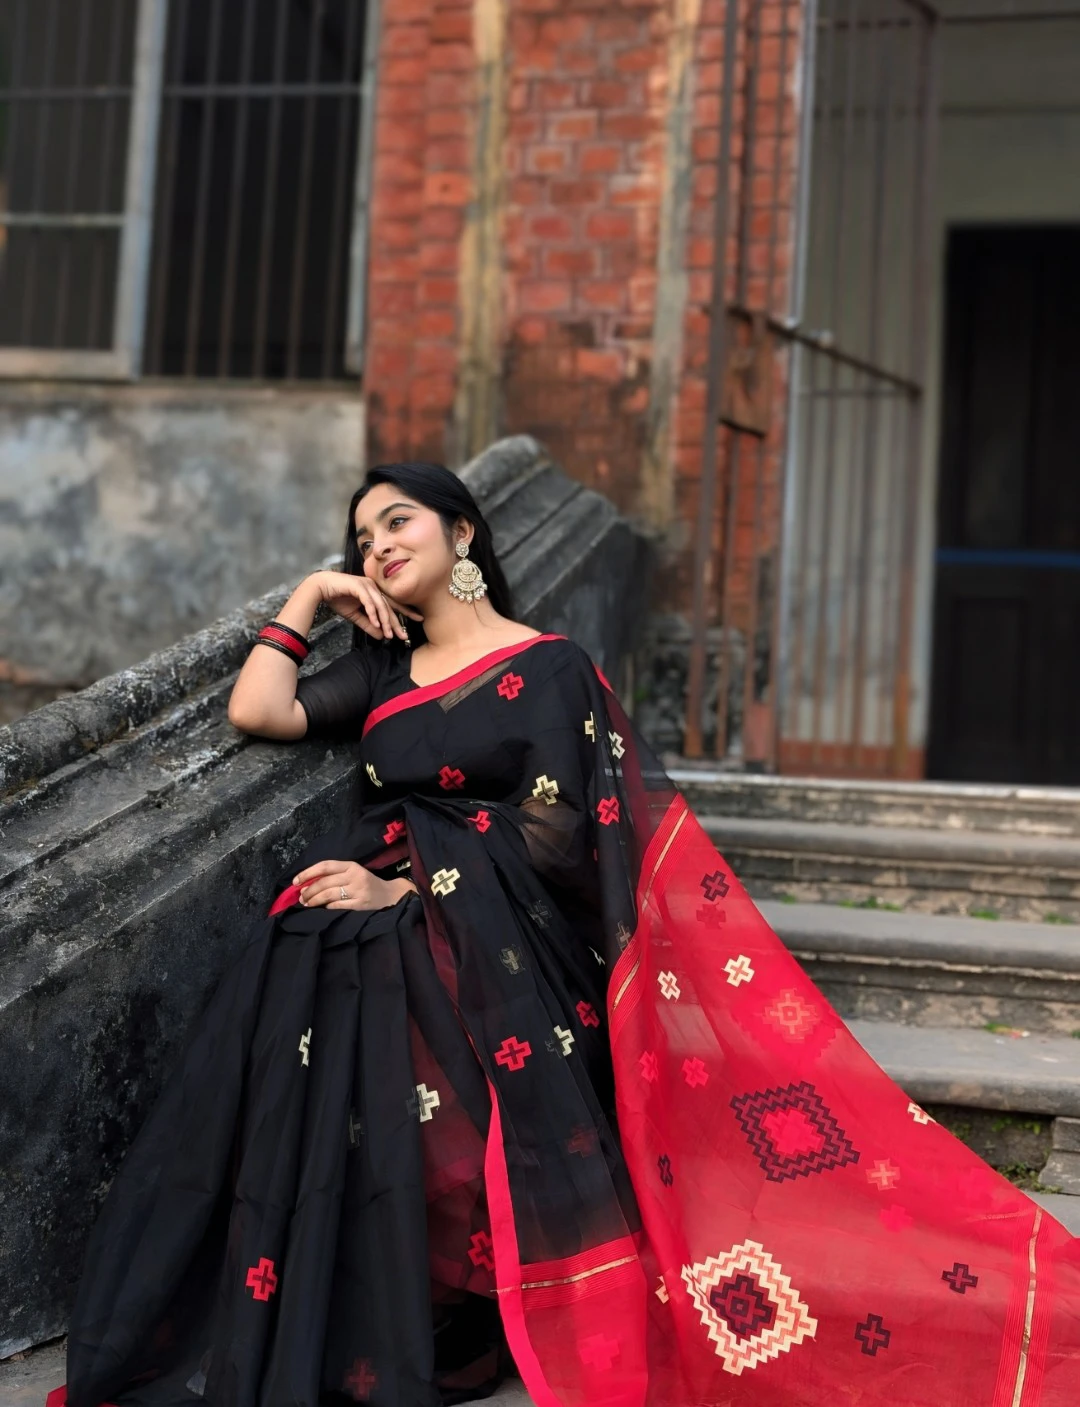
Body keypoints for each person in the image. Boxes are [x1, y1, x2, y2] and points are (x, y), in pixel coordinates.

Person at [51, 463, 1080, 1407]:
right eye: (361, 539)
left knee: (429, 1058)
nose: (377, 547)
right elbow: (258, 710)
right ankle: (373, 1300)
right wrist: (312, 595)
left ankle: (473, 1290)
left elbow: (557, 833)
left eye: (397, 523)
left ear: (462, 530)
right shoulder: (382, 672)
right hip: (359, 933)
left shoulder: (549, 669)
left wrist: (404, 885)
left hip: (500, 948)